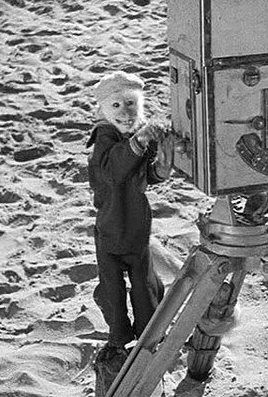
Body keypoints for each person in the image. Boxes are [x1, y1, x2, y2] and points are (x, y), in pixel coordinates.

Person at [85, 71, 171, 363]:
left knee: (145, 283)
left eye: (131, 104)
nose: (125, 113)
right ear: (104, 111)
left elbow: (145, 175)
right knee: (112, 288)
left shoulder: (140, 133)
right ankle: (118, 336)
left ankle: (149, 333)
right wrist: (140, 140)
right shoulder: (104, 138)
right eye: (117, 106)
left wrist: (163, 167)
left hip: (136, 224)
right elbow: (114, 171)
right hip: (110, 225)